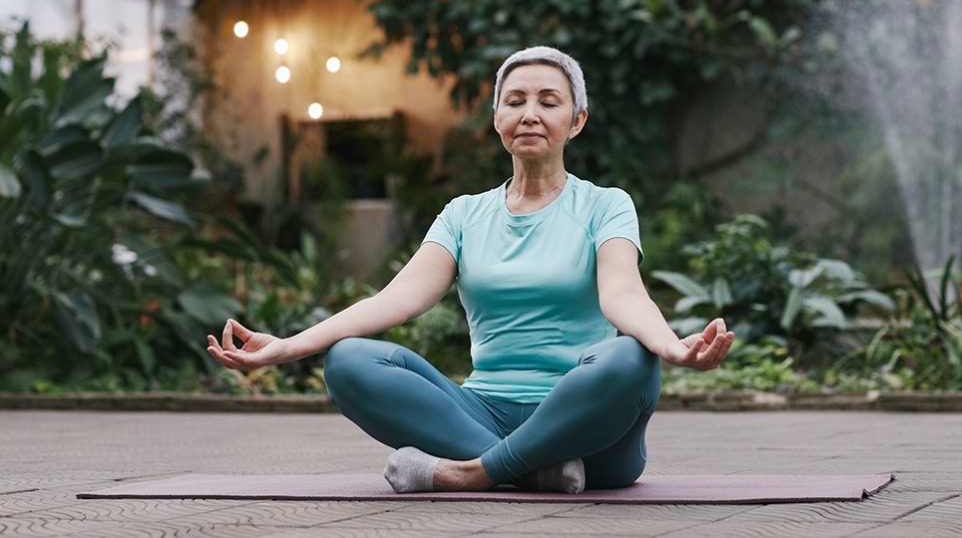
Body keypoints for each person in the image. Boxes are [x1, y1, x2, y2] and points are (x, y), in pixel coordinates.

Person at [206, 45, 734, 494]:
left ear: (576, 121)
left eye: (549, 102)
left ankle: (469, 473)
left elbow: (623, 295)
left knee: (631, 358)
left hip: (589, 432)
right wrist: (288, 347)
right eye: (515, 101)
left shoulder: (606, 205)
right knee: (348, 361)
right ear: (497, 117)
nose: (530, 114)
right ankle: (533, 470)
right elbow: (395, 300)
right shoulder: (463, 215)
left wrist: (671, 347)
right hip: (480, 412)